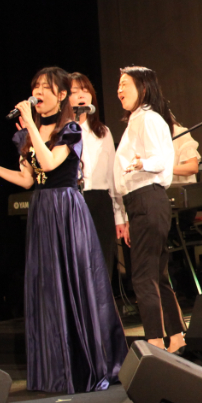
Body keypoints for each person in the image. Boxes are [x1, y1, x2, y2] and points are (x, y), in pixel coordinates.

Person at [0, 67, 127, 394]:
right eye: (35, 86)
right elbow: (27, 180)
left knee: (73, 283)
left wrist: (32, 128)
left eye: (45, 88)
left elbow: (49, 163)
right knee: (48, 288)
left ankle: (86, 364)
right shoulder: (28, 134)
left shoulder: (71, 128)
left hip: (66, 208)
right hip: (42, 211)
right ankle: (55, 370)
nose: (38, 93)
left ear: (61, 95)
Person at [114, 66, 185, 353]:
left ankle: (155, 340)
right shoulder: (138, 120)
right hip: (143, 201)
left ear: (143, 88)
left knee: (143, 276)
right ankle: (176, 337)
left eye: (125, 84)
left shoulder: (147, 118)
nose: (119, 90)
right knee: (156, 274)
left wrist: (142, 163)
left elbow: (162, 159)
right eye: (118, 85)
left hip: (146, 198)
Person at [69, 72, 124, 281]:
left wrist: (120, 216)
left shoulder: (103, 132)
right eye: (75, 91)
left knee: (101, 263)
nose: (81, 95)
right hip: (71, 199)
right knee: (75, 264)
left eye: (86, 90)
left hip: (99, 200)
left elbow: (112, 176)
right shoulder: (61, 132)